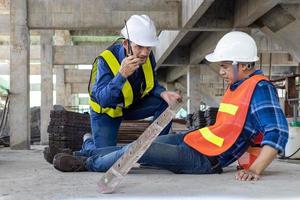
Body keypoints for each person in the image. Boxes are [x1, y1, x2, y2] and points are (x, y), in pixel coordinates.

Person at [53, 31, 288, 181]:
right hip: (196, 140)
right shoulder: (238, 84)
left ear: (244, 66)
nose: (221, 71)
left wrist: (255, 169)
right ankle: (82, 153)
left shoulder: (259, 88)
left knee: (143, 151)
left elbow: (278, 132)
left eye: (225, 65)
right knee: (142, 143)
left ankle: (85, 162)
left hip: (206, 160)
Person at [84, 14, 181, 150]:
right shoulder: (105, 61)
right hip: (107, 112)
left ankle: (156, 150)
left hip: (130, 106)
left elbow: (151, 85)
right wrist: (121, 76)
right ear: (126, 44)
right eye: (139, 47)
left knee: (165, 103)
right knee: (103, 156)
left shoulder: (148, 57)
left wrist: (162, 93)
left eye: (148, 47)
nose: (144, 53)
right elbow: (103, 100)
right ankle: (87, 141)